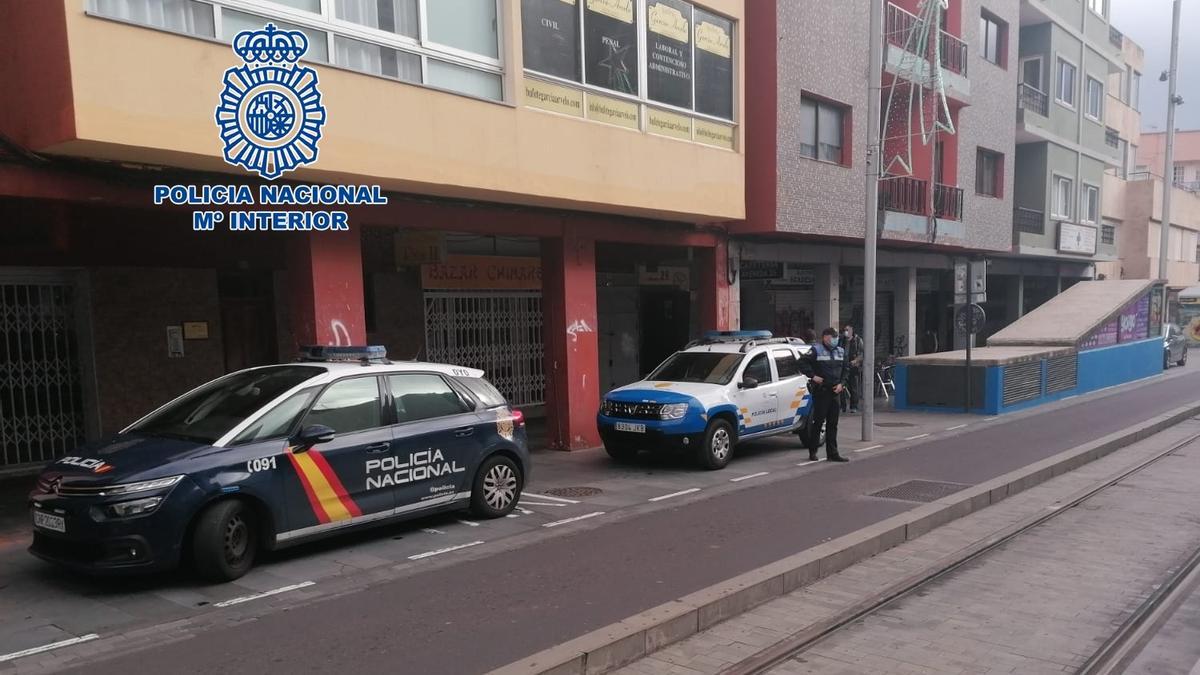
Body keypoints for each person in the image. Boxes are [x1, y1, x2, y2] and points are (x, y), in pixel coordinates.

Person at [801, 327, 849, 463]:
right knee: (818, 423)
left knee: (833, 424)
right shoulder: (816, 350)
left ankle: (833, 453)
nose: (835, 339)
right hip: (821, 392)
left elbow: (846, 369)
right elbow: (801, 362)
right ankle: (813, 451)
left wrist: (842, 384)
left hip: (835, 392)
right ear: (825, 337)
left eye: (836, 337)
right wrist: (813, 376)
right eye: (832, 337)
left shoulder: (840, 351)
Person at [841, 325, 865, 414]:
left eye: (847, 330)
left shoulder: (858, 340)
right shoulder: (842, 340)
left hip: (853, 367)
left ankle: (853, 406)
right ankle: (842, 406)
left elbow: (862, 354)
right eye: (844, 330)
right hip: (843, 366)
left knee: (854, 387)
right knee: (841, 387)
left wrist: (855, 361)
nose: (846, 332)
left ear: (851, 331)